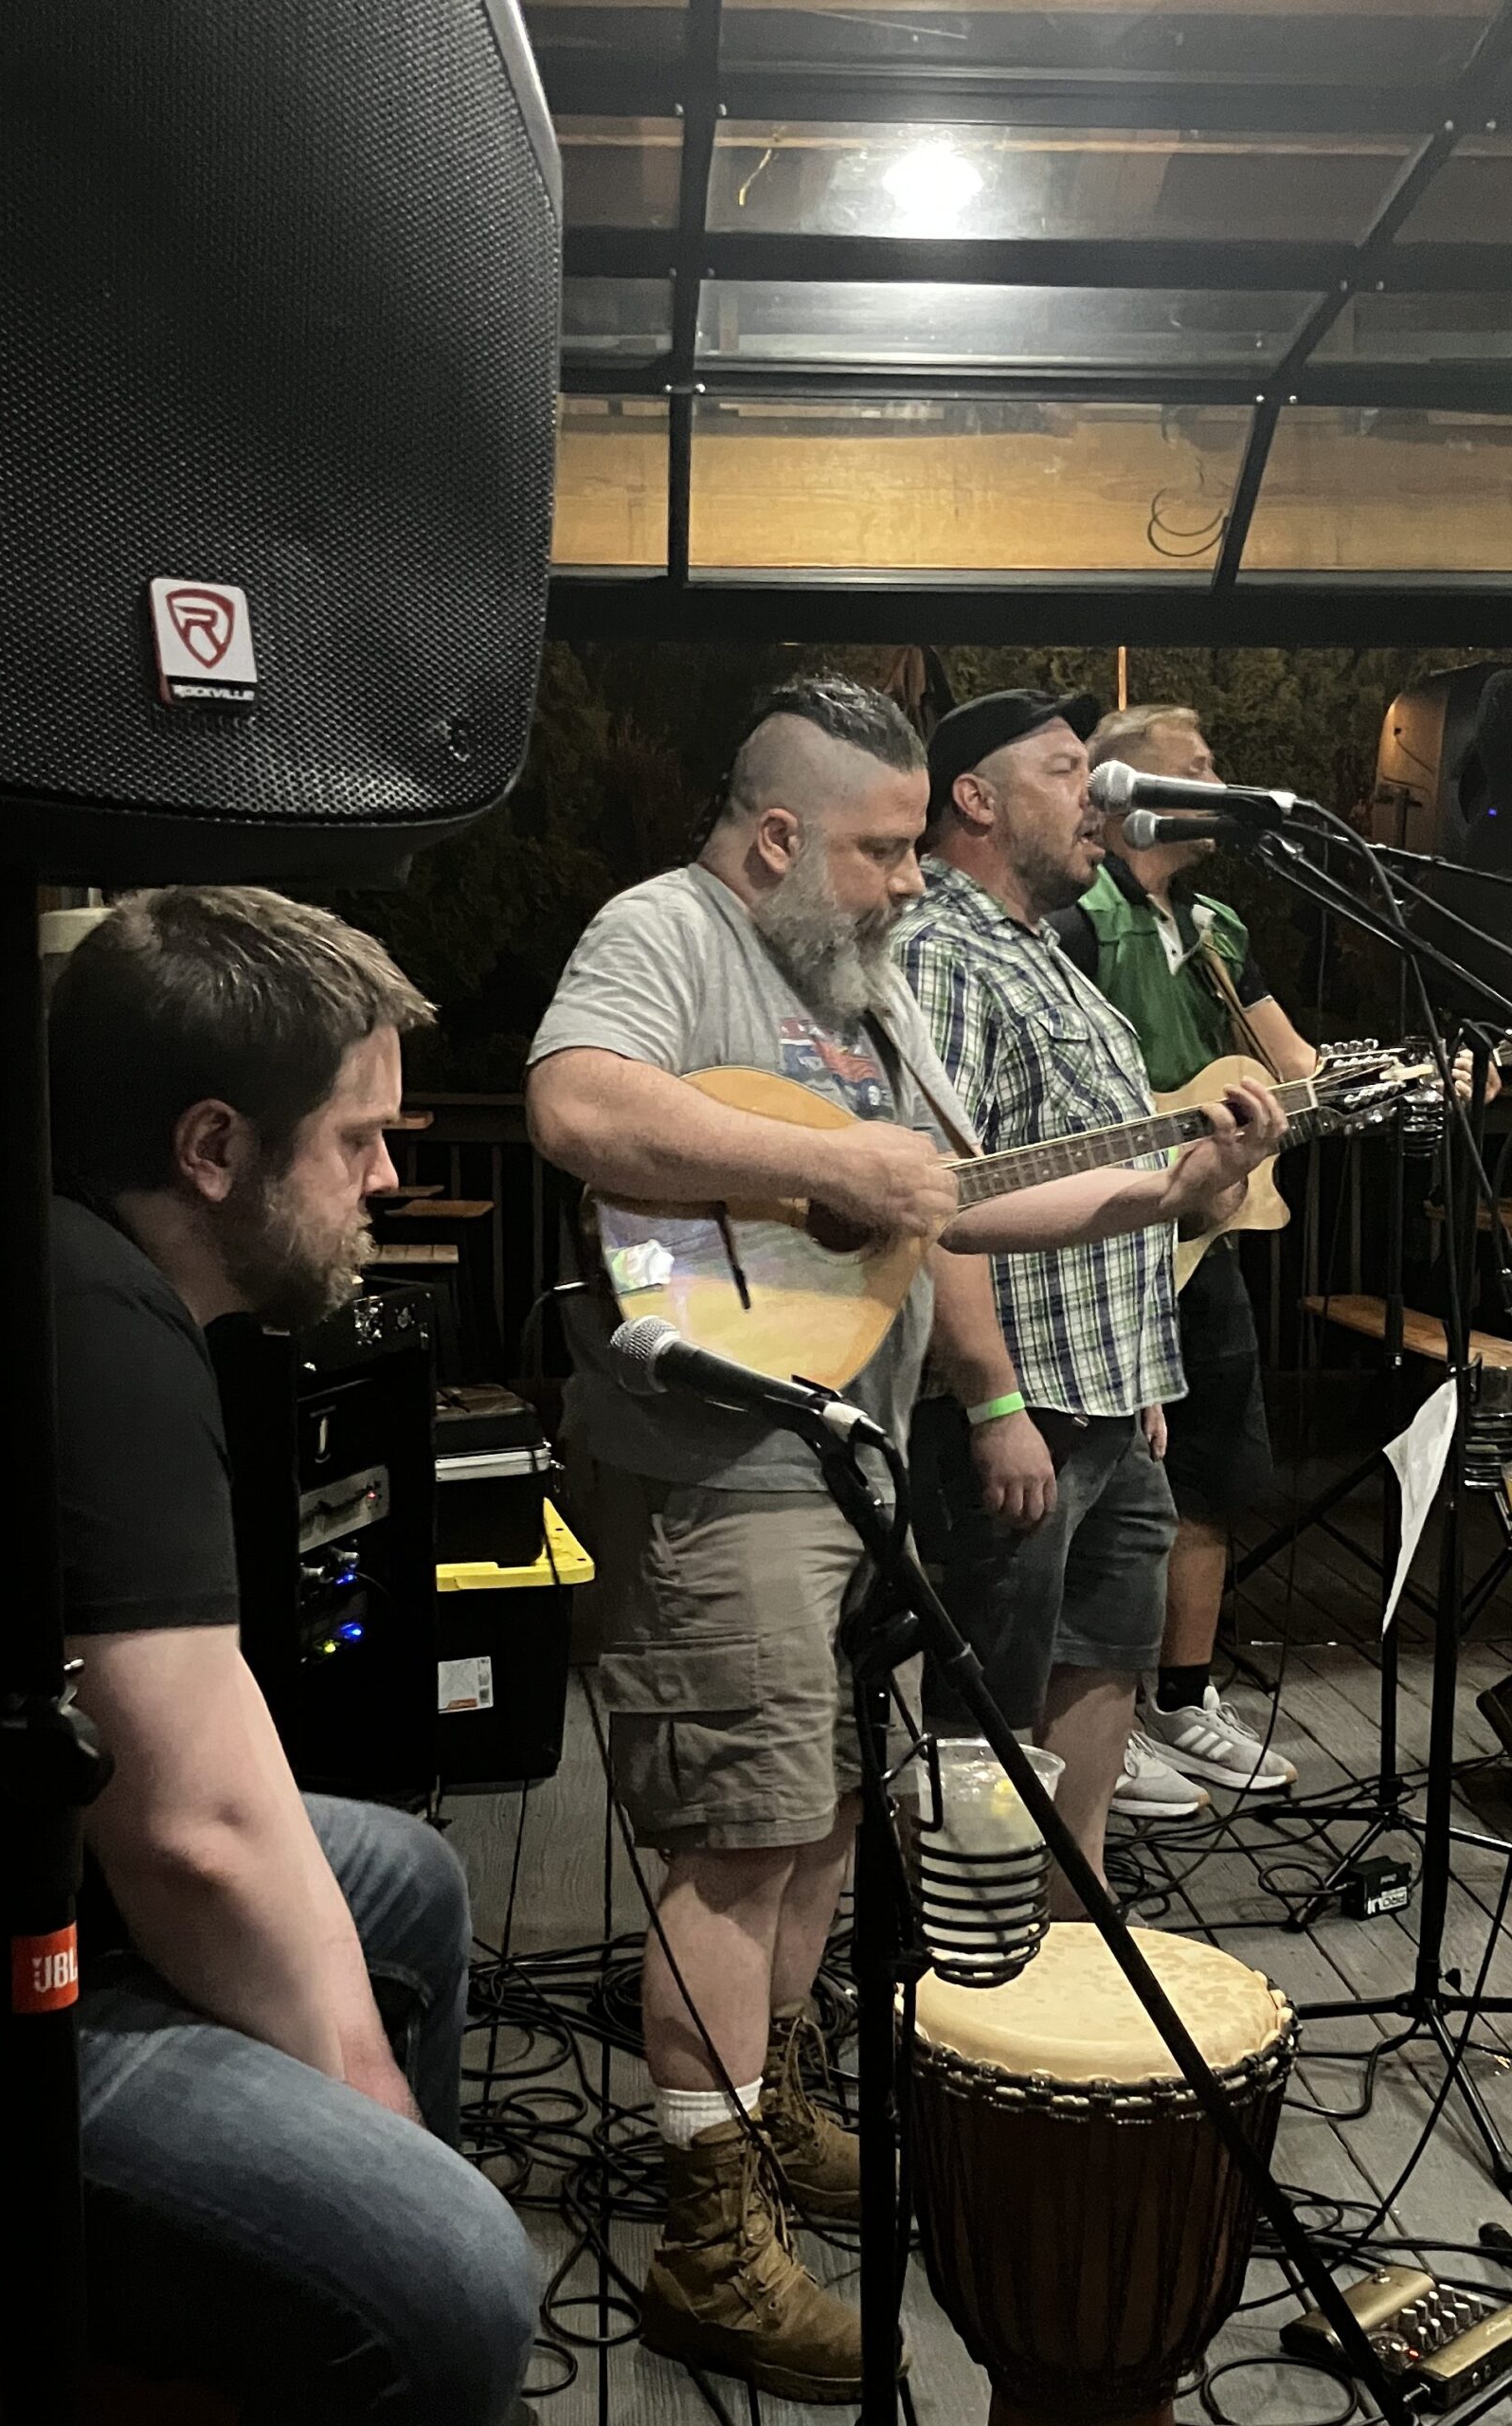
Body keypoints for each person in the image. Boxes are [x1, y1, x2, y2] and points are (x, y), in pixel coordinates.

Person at [527, 676, 1283, 2402]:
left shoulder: (866, 987)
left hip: (840, 1456)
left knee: (812, 1824)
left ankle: (773, 2111)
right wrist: (832, 1176)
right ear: (779, 835)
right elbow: (574, 1108)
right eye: (877, 849)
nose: (904, 881)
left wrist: (1169, 1180)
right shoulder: (670, 931)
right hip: (710, 1466)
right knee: (738, 1838)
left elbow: (966, 1191)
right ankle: (707, 2244)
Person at [0, 888, 537, 2426]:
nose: (390, 1178)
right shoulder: (93, 1332)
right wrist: (367, 2100)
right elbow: (192, 1839)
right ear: (212, 1151)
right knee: (452, 2269)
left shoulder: (22, 1258)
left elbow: (194, 1749)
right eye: (357, 1139)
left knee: (401, 1882)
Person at [892, 690, 1288, 1897]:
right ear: (975, 798)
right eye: (1068, 771)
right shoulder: (942, 954)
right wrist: (992, 1399)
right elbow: (937, 1198)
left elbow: (1103, 1182)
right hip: (1023, 1418)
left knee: (1100, 1685)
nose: (1096, 797)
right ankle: (976, 1987)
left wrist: (1140, 1374)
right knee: (990, 1726)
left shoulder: (1041, 956)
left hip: (1113, 1407)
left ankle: (1078, 1949)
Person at [1052, 702, 1316, 1797]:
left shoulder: (1213, 927)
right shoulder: (1079, 916)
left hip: (1203, 1238)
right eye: (1197, 768)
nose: (1220, 784)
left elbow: (1290, 1061)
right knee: (1105, 1479)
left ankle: (1178, 1697)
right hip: (1105, 1238)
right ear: (1123, 793)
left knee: (1208, 1467)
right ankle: (1081, 1720)